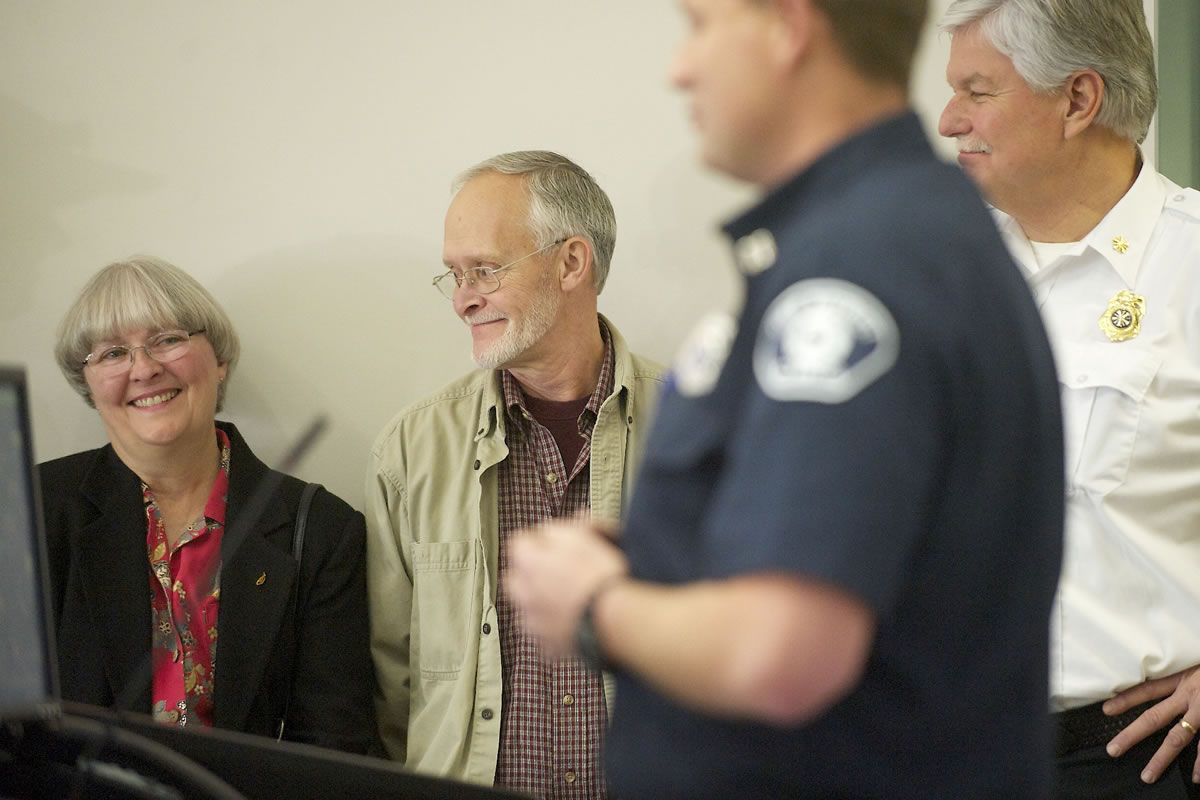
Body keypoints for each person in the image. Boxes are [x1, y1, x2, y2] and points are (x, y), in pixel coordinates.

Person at [504, 1, 1064, 798]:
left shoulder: (857, 265)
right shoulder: (898, 233)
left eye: (700, 26)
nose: (679, 68)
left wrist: (594, 607)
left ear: (789, 27)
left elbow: (786, 657)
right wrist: (667, 559)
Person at [938, 1, 1200, 797]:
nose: (949, 120)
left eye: (977, 91)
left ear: (1078, 101)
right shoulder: (938, 270)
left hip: (1126, 760)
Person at [364, 151, 663, 797]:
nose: (464, 300)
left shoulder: (701, 430)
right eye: (454, 275)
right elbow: (390, 683)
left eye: (485, 270)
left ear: (571, 262)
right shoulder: (412, 451)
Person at [41, 256, 375, 753]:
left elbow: (333, 745)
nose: (145, 368)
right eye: (112, 353)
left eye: (168, 339)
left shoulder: (323, 530)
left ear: (219, 360)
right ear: (87, 383)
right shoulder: (29, 510)